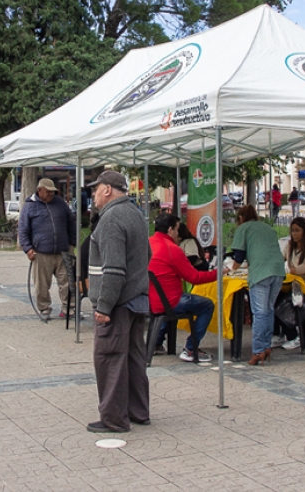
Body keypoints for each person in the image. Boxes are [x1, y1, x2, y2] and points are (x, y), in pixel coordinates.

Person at [86, 170, 151, 433]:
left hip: (117, 304)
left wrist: (103, 307)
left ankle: (113, 419)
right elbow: (147, 254)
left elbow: (113, 269)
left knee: (110, 358)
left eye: (95, 189)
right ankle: (138, 411)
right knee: (134, 358)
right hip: (136, 300)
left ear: (108, 190)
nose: (93, 194)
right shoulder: (136, 214)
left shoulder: (111, 219)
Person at [148, 213, 219, 362]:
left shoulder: (147, 244)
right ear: (169, 230)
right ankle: (191, 348)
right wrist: (217, 274)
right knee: (207, 305)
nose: (178, 233)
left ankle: (156, 343)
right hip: (171, 301)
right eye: (177, 229)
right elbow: (194, 277)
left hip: (151, 300)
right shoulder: (172, 249)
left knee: (174, 303)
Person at [228, 204, 285, 365]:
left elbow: (238, 257)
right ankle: (267, 346)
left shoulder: (243, 228)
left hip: (260, 273)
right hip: (278, 270)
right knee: (268, 310)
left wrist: (230, 269)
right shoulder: (267, 228)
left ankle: (258, 350)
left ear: (240, 217)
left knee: (259, 313)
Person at [18, 178, 76, 320]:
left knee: (68, 282)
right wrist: (28, 249)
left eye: (53, 192)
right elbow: (23, 230)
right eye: (48, 192)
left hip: (63, 251)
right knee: (42, 285)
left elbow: (71, 222)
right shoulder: (29, 206)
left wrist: (72, 244)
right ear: (40, 190)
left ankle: (68, 309)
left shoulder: (60, 203)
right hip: (41, 252)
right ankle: (44, 308)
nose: (51, 194)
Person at [273, 217, 305, 350]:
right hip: (291, 285)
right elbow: (279, 258)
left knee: (285, 305)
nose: (294, 234)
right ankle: (277, 334)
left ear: (304, 232)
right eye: (292, 231)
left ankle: (295, 336)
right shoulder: (289, 246)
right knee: (271, 299)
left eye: (297, 231)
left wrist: (292, 269)